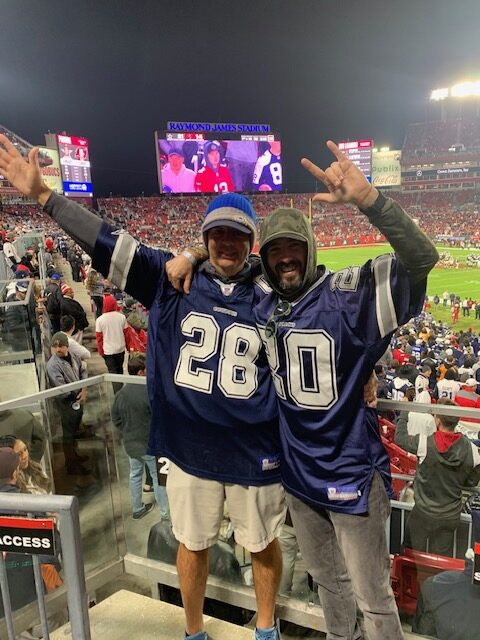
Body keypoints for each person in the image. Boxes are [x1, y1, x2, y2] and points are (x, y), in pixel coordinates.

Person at [0, 136, 284, 640]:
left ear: (251, 240)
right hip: (190, 449)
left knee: (263, 544)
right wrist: (45, 196)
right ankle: (193, 631)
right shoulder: (166, 277)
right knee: (191, 544)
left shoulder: (274, 293)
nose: (226, 243)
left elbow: (331, 317)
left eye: (237, 234)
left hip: (254, 449)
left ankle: (266, 629)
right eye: (216, 234)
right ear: (204, 236)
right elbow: (106, 241)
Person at [253, 140, 439, 640]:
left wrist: (370, 201)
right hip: (299, 477)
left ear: (310, 248)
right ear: (264, 259)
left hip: (351, 473)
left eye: (293, 247)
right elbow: (224, 266)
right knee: (329, 587)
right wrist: (191, 253)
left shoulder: (348, 294)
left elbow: (423, 259)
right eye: (275, 251)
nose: (285, 259)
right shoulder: (263, 299)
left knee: (373, 597)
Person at [395, 399, 480, 556]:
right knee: (440, 560)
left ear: (438, 420)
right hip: (449, 516)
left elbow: (400, 438)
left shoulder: (424, 443)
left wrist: (404, 411)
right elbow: (473, 479)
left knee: (411, 555)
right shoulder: (472, 450)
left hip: (423, 513)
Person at [111, 353, 169, 520]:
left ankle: (137, 508)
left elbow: (116, 420)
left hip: (131, 444)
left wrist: (128, 431)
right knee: (158, 479)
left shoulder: (120, 394)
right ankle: (165, 515)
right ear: (140, 372)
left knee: (135, 475)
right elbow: (160, 418)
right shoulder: (149, 392)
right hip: (150, 445)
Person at [45, 332, 89, 476]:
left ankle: (75, 457)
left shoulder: (73, 356)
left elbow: (83, 370)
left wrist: (84, 389)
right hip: (66, 404)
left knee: (74, 433)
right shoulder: (53, 365)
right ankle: (72, 467)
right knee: (68, 436)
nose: (58, 349)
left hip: (77, 399)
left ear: (67, 346)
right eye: (55, 346)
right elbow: (61, 389)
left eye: (61, 346)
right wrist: (77, 398)